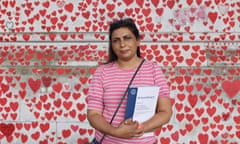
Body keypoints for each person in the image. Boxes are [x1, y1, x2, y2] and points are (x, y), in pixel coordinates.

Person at [87, 18, 172, 144]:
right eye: (116, 40)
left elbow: (165, 112)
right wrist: (115, 131)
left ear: (138, 41)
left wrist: (140, 128)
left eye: (127, 38)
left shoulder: (153, 70)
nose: (122, 44)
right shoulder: (102, 72)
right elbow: (93, 115)